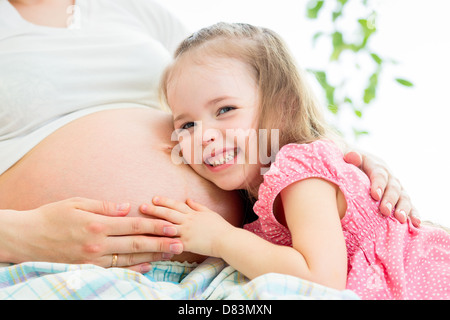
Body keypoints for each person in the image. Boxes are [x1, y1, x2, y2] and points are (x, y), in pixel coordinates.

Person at [0, 1, 418, 272]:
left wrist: (338, 154)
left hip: (229, 266)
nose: (200, 135)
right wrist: (20, 233)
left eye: (219, 114)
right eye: (185, 126)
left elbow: (237, 83)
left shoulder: (135, 13)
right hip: (49, 262)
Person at [144, 22, 450, 299]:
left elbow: (321, 279)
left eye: (225, 110)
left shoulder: (299, 169)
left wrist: (221, 238)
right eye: (186, 125)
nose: (203, 135)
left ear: (284, 107)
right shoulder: (260, 192)